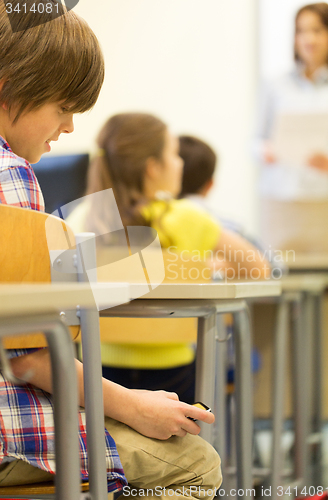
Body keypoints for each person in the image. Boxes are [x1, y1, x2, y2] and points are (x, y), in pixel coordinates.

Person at [0, 4, 222, 499]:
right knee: (197, 461)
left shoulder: (79, 219)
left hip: (85, 375)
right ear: (11, 87)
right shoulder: (12, 177)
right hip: (14, 435)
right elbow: (29, 357)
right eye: (63, 107)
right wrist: (134, 406)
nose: (71, 127)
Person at [67, 112, 270, 403]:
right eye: (174, 154)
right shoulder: (187, 217)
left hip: (97, 379)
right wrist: (200, 268)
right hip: (174, 377)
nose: (180, 163)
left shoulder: (82, 218)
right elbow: (257, 268)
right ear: (152, 168)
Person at [255, 2, 328, 253]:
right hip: (281, 198)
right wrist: (264, 151)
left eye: (317, 30)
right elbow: (254, 140)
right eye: (301, 31)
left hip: (325, 199)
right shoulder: (276, 85)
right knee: (279, 273)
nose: (308, 39)